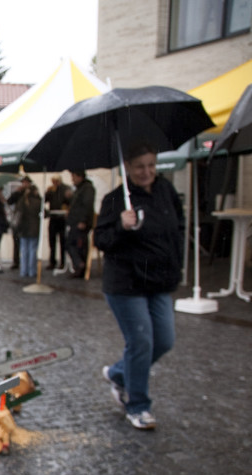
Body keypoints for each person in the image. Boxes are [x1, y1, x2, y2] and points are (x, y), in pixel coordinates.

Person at [93, 142, 183, 431]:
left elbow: (177, 228)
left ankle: (119, 373)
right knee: (141, 341)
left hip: (159, 282)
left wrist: (176, 266)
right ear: (128, 168)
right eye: (140, 166)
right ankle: (138, 405)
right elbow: (101, 241)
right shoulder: (115, 200)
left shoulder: (166, 191)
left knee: (164, 340)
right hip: (126, 284)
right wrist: (121, 225)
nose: (147, 172)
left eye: (151, 165)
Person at [7, 176, 41, 278]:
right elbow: (10, 201)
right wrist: (17, 192)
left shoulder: (25, 200)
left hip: (23, 227)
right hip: (28, 227)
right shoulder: (22, 197)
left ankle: (24, 270)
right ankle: (28, 270)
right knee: (28, 249)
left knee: (25, 249)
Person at [64, 169, 96, 278]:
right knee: (73, 244)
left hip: (80, 223)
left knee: (78, 245)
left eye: (73, 177)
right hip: (75, 221)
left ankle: (80, 265)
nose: (72, 180)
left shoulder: (87, 189)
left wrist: (83, 221)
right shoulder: (80, 189)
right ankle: (79, 265)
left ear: (80, 177)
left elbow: (87, 205)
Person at [44, 176, 69, 270]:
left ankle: (63, 262)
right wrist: (47, 192)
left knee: (63, 241)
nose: (54, 183)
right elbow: (44, 200)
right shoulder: (51, 190)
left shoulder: (65, 189)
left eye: (55, 181)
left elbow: (69, 201)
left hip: (62, 218)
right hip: (53, 217)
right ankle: (52, 261)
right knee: (52, 241)